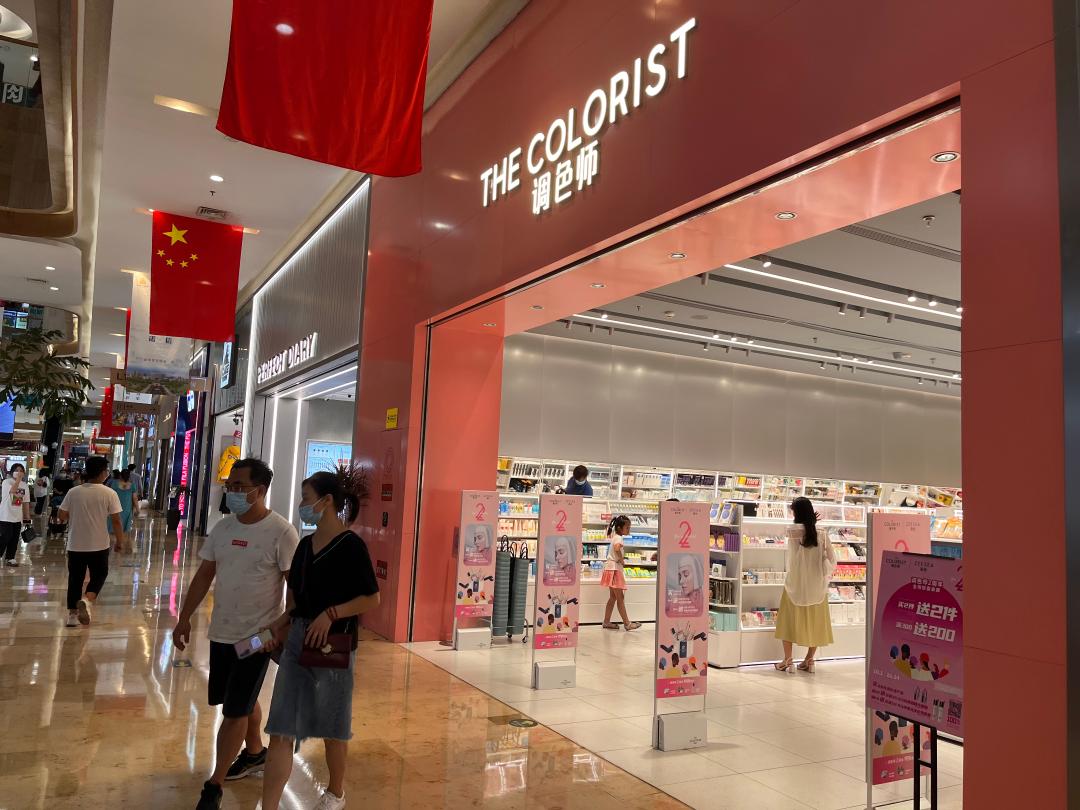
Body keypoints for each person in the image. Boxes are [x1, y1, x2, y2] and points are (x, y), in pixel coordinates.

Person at [172, 458, 299, 810]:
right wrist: (184, 618)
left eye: (239, 486)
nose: (232, 492)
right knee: (237, 697)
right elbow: (204, 575)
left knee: (235, 710)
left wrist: (281, 628)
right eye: (230, 486)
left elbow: (295, 589)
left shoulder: (282, 532)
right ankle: (255, 752)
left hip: (258, 636)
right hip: (222, 632)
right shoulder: (223, 528)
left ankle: (214, 784)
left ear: (260, 490)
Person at [261, 466, 380, 810]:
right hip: (298, 642)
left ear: (327, 501)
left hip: (334, 646)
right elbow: (296, 601)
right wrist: (277, 626)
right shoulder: (304, 546)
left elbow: (371, 598)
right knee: (281, 727)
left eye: (306, 498)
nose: (302, 505)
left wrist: (331, 614)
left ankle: (335, 792)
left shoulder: (351, 546)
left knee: (333, 726)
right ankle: (268, 805)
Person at [58, 456, 125, 626]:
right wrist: (120, 541)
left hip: (75, 544)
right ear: (102, 472)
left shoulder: (74, 492)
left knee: (75, 579)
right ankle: (87, 600)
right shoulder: (109, 493)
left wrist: (75, 515)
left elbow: (61, 516)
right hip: (99, 544)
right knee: (100, 575)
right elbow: (116, 521)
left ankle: (72, 616)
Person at [774, 497, 835, 672]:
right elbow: (832, 559)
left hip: (795, 586)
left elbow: (794, 535)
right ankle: (810, 660)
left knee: (787, 623)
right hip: (817, 588)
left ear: (797, 513)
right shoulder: (821, 533)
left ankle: (788, 660)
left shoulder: (793, 532)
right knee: (816, 624)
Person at [600, 515, 641, 631]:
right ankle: (627, 624)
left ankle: (606, 621)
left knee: (613, 597)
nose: (629, 530)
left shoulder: (615, 537)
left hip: (610, 568)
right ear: (619, 528)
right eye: (627, 527)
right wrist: (621, 559)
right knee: (620, 598)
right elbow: (617, 548)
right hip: (614, 569)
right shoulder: (619, 538)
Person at [1, 463, 31, 566]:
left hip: (17, 517)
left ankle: (10, 558)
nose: (19, 472)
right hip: (5, 516)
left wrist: (27, 519)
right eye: (17, 470)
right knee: (5, 536)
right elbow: (12, 491)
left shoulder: (25, 486)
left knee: (14, 538)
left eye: (21, 471)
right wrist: (18, 480)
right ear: (12, 471)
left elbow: (26, 503)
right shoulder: (6, 482)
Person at [109, 469, 138, 538]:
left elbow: (110, 496)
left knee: (114, 525)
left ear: (120, 475)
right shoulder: (132, 485)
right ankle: (121, 540)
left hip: (115, 508)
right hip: (127, 509)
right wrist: (138, 509)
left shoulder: (114, 484)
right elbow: (134, 498)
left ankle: (114, 541)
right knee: (125, 528)